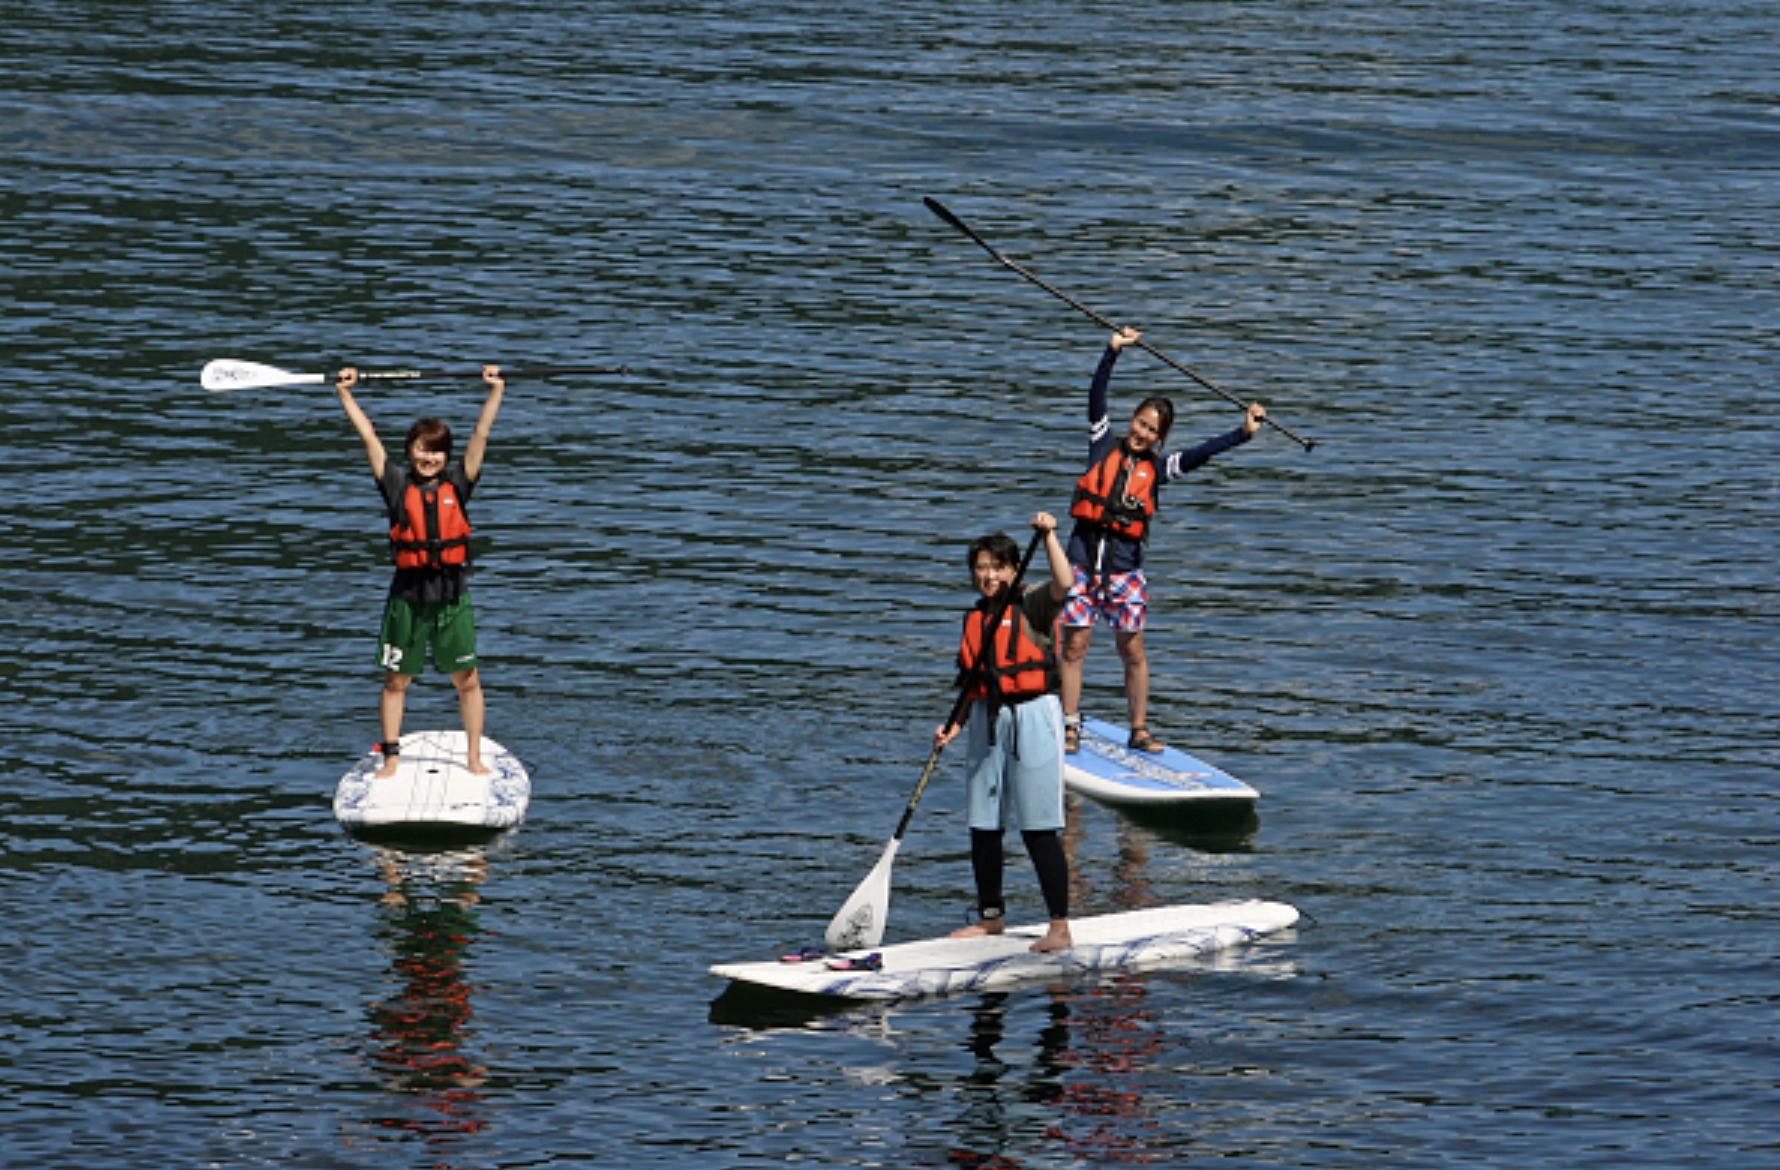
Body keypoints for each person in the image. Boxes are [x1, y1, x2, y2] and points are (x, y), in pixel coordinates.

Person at [1059, 328, 1266, 755]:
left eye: (1152, 429)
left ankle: (1138, 729)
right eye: (1139, 422)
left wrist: (1242, 433)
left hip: (1124, 572)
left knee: (1132, 650)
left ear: (1160, 437)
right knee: (1075, 645)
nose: (1142, 433)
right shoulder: (1102, 444)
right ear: (1130, 421)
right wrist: (1111, 352)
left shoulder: (1160, 469)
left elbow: (1201, 454)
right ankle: (1069, 725)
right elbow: (1096, 398)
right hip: (1081, 563)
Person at [335, 364, 505, 779]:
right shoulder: (396, 487)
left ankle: (473, 758)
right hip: (407, 601)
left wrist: (494, 392)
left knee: (467, 681)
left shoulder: (459, 487)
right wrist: (345, 395)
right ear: (410, 450)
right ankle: (391, 757)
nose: (428, 458)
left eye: (436, 451)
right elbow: (369, 439)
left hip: (451, 599)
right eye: (421, 449)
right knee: (396, 682)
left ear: (445, 456)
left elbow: (480, 437)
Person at [934, 511, 1077, 953]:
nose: (989, 575)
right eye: (981, 567)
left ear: (1014, 571)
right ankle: (990, 918)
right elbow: (973, 679)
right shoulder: (975, 618)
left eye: (997, 567)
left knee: (1038, 827)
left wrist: (1050, 536)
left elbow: (1066, 583)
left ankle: (1059, 927)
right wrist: (954, 724)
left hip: (1034, 716)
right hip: (986, 719)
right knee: (984, 824)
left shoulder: (1033, 602)